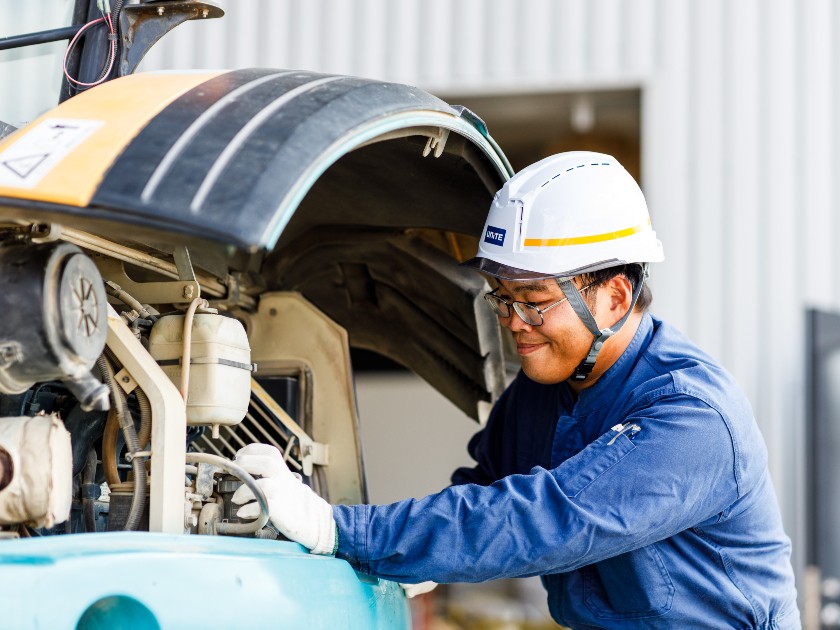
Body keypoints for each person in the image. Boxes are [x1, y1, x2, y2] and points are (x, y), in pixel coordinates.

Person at [233, 151, 800, 628]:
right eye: (502, 298)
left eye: (534, 302)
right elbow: (486, 492)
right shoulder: (542, 393)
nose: (512, 322)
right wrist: (404, 558)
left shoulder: (690, 418)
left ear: (615, 298)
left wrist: (338, 528)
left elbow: (547, 519)